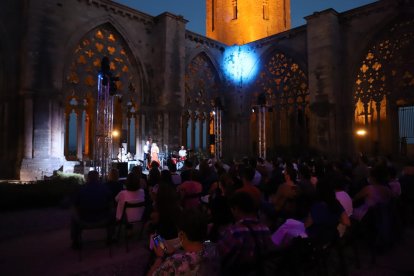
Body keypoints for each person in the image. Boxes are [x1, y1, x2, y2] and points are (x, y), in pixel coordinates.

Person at [147, 209, 217, 276]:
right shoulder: (213, 248)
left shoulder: (174, 263)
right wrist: (175, 251)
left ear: (181, 235)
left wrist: (159, 258)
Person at [70, 170, 113, 249]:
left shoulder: (81, 189)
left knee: (73, 216)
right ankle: (110, 238)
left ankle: (75, 242)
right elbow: (110, 203)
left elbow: (74, 205)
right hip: (103, 219)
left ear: (88, 178)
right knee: (112, 213)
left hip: (85, 220)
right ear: (98, 178)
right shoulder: (105, 188)